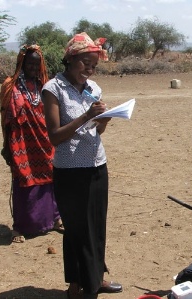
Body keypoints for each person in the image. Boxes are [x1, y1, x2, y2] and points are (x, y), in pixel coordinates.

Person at [42, 32, 121, 299]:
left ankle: (96, 278)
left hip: (97, 164)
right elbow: (55, 136)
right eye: (85, 63)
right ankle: (79, 285)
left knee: (97, 225)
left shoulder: (93, 88)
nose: (90, 69)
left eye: (94, 66)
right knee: (76, 228)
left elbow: (95, 132)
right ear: (71, 59)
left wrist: (104, 121)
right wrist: (87, 115)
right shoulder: (53, 89)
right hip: (70, 170)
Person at [0, 44, 63, 244]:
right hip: (21, 142)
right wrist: (6, 145)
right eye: (30, 64)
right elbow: (5, 117)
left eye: (37, 64)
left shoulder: (46, 85)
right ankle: (19, 227)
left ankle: (54, 218)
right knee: (23, 180)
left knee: (50, 178)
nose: (34, 68)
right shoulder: (10, 86)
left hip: (44, 140)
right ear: (22, 63)